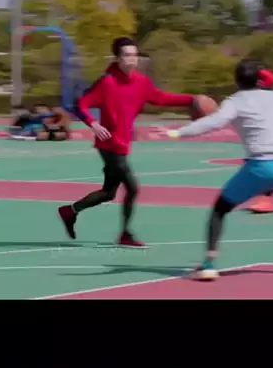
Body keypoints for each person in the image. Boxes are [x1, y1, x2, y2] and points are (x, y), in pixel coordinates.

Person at [165, 59, 273, 279]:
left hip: (261, 167)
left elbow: (213, 122)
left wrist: (178, 132)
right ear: (261, 79)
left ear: (237, 81)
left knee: (220, 209)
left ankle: (209, 264)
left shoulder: (234, 102)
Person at [57, 37, 196, 247]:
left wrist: (192, 100)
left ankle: (70, 211)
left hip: (122, 144)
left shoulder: (141, 82)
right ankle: (125, 234)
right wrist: (93, 124)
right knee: (133, 188)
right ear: (118, 58)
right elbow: (80, 104)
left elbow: (162, 99)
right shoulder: (107, 82)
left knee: (108, 193)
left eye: (135, 55)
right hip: (108, 144)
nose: (132, 59)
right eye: (127, 55)